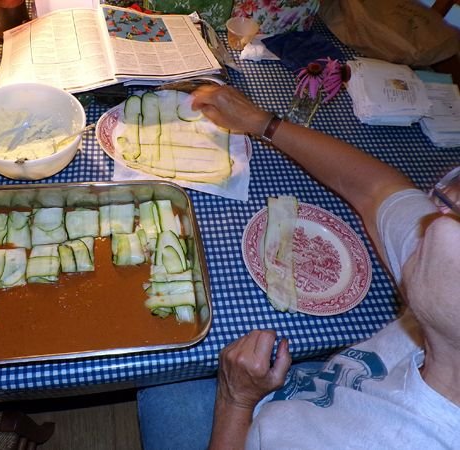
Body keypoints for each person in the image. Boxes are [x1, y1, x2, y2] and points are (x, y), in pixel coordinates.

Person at [137, 85, 460, 449]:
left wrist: (235, 399)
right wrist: (262, 123)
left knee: (162, 379)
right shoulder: (449, 283)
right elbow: (377, 190)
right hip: (323, 383)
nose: (436, 213)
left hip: (250, 423)